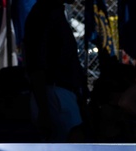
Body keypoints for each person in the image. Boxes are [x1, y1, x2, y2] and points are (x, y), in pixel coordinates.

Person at [23, 0, 89, 141]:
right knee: (70, 150)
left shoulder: (54, 13)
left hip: (60, 93)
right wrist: (44, 109)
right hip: (55, 94)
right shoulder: (44, 14)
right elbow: (37, 65)